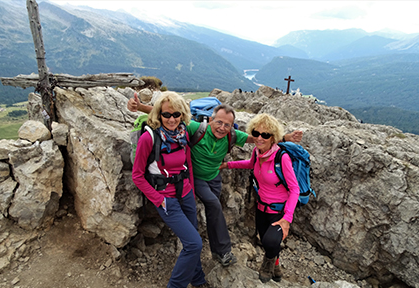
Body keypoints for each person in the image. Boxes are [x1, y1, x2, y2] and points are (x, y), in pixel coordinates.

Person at [128, 93, 303, 267]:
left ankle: (208, 247)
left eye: (227, 125)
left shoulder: (232, 136)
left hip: (214, 178)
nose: (222, 127)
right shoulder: (196, 128)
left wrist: (285, 138)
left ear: (231, 126)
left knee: (213, 211)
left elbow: (257, 138)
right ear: (211, 120)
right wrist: (141, 107)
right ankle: (222, 251)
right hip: (196, 178)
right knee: (214, 204)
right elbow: (173, 114)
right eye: (218, 122)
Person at [132, 92, 213, 288]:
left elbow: (188, 166)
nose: (172, 119)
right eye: (166, 114)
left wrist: (192, 194)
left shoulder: (183, 133)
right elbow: (138, 176)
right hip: (165, 198)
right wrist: (159, 199)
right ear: (159, 114)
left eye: (176, 114)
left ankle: (197, 283)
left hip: (185, 193)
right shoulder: (149, 138)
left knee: (191, 240)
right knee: (194, 243)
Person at [220, 113, 300, 283]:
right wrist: (227, 165)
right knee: (264, 240)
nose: (259, 138)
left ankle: (268, 263)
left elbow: (294, 189)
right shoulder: (258, 153)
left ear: (273, 138)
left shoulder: (281, 158)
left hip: (278, 210)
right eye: (256, 133)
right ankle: (276, 265)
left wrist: (287, 219)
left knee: (271, 241)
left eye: (265, 135)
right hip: (261, 207)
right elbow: (250, 164)